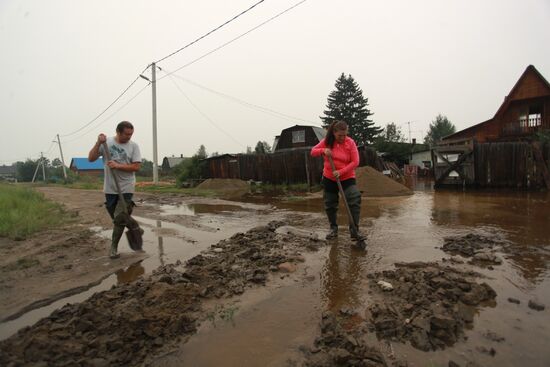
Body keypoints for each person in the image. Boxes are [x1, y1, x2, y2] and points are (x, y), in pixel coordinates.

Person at [88, 121, 142, 259]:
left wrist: (118, 166)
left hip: (126, 187)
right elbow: (91, 158)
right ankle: (134, 226)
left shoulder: (134, 146)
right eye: (126, 134)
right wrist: (98, 143)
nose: (129, 137)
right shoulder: (108, 143)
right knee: (117, 218)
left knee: (119, 219)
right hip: (110, 188)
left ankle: (113, 248)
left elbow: (136, 167)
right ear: (118, 132)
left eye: (131, 134)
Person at [311, 120, 364, 241]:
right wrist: (323, 150)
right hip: (329, 178)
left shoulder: (350, 143)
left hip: (346, 177)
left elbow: (355, 162)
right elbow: (312, 151)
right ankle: (333, 229)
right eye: (340, 135)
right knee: (330, 204)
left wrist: (341, 172)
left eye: (345, 135)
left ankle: (354, 231)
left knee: (354, 198)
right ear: (334, 133)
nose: (343, 137)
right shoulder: (327, 142)